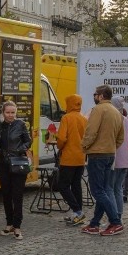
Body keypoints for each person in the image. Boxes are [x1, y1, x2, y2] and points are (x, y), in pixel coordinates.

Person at [80, 84, 125, 237]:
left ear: (100, 96)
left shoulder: (98, 109)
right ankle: (94, 223)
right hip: (110, 154)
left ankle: (115, 221)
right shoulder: (117, 112)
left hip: (97, 154)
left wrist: (84, 146)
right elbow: (120, 137)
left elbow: (91, 131)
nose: (94, 96)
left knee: (97, 191)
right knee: (104, 190)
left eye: (95, 94)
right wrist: (112, 146)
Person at [0, 101, 32, 240]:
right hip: (3, 164)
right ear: (3, 113)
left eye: (13, 112)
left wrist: (19, 150)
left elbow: (28, 141)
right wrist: (0, 151)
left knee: (17, 196)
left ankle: (17, 226)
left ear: (16, 113)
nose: (10, 115)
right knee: (6, 195)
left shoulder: (21, 125)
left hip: (18, 163)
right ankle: (9, 223)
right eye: (8, 112)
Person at [56, 94, 87, 226]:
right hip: (80, 157)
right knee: (76, 185)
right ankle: (77, 213)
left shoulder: (66, 118)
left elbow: (62, 138)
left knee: (62, 185)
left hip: (68, 157)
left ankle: (77, 210)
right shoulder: (84, 119)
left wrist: (59, 146)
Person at [110, 96, 128, 222]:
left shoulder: (114, 119)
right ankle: (119, 214)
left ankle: (114, 216)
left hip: (115, 159)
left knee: (111, 189)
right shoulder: (126, 120)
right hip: (125, 160)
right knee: (118, 189)